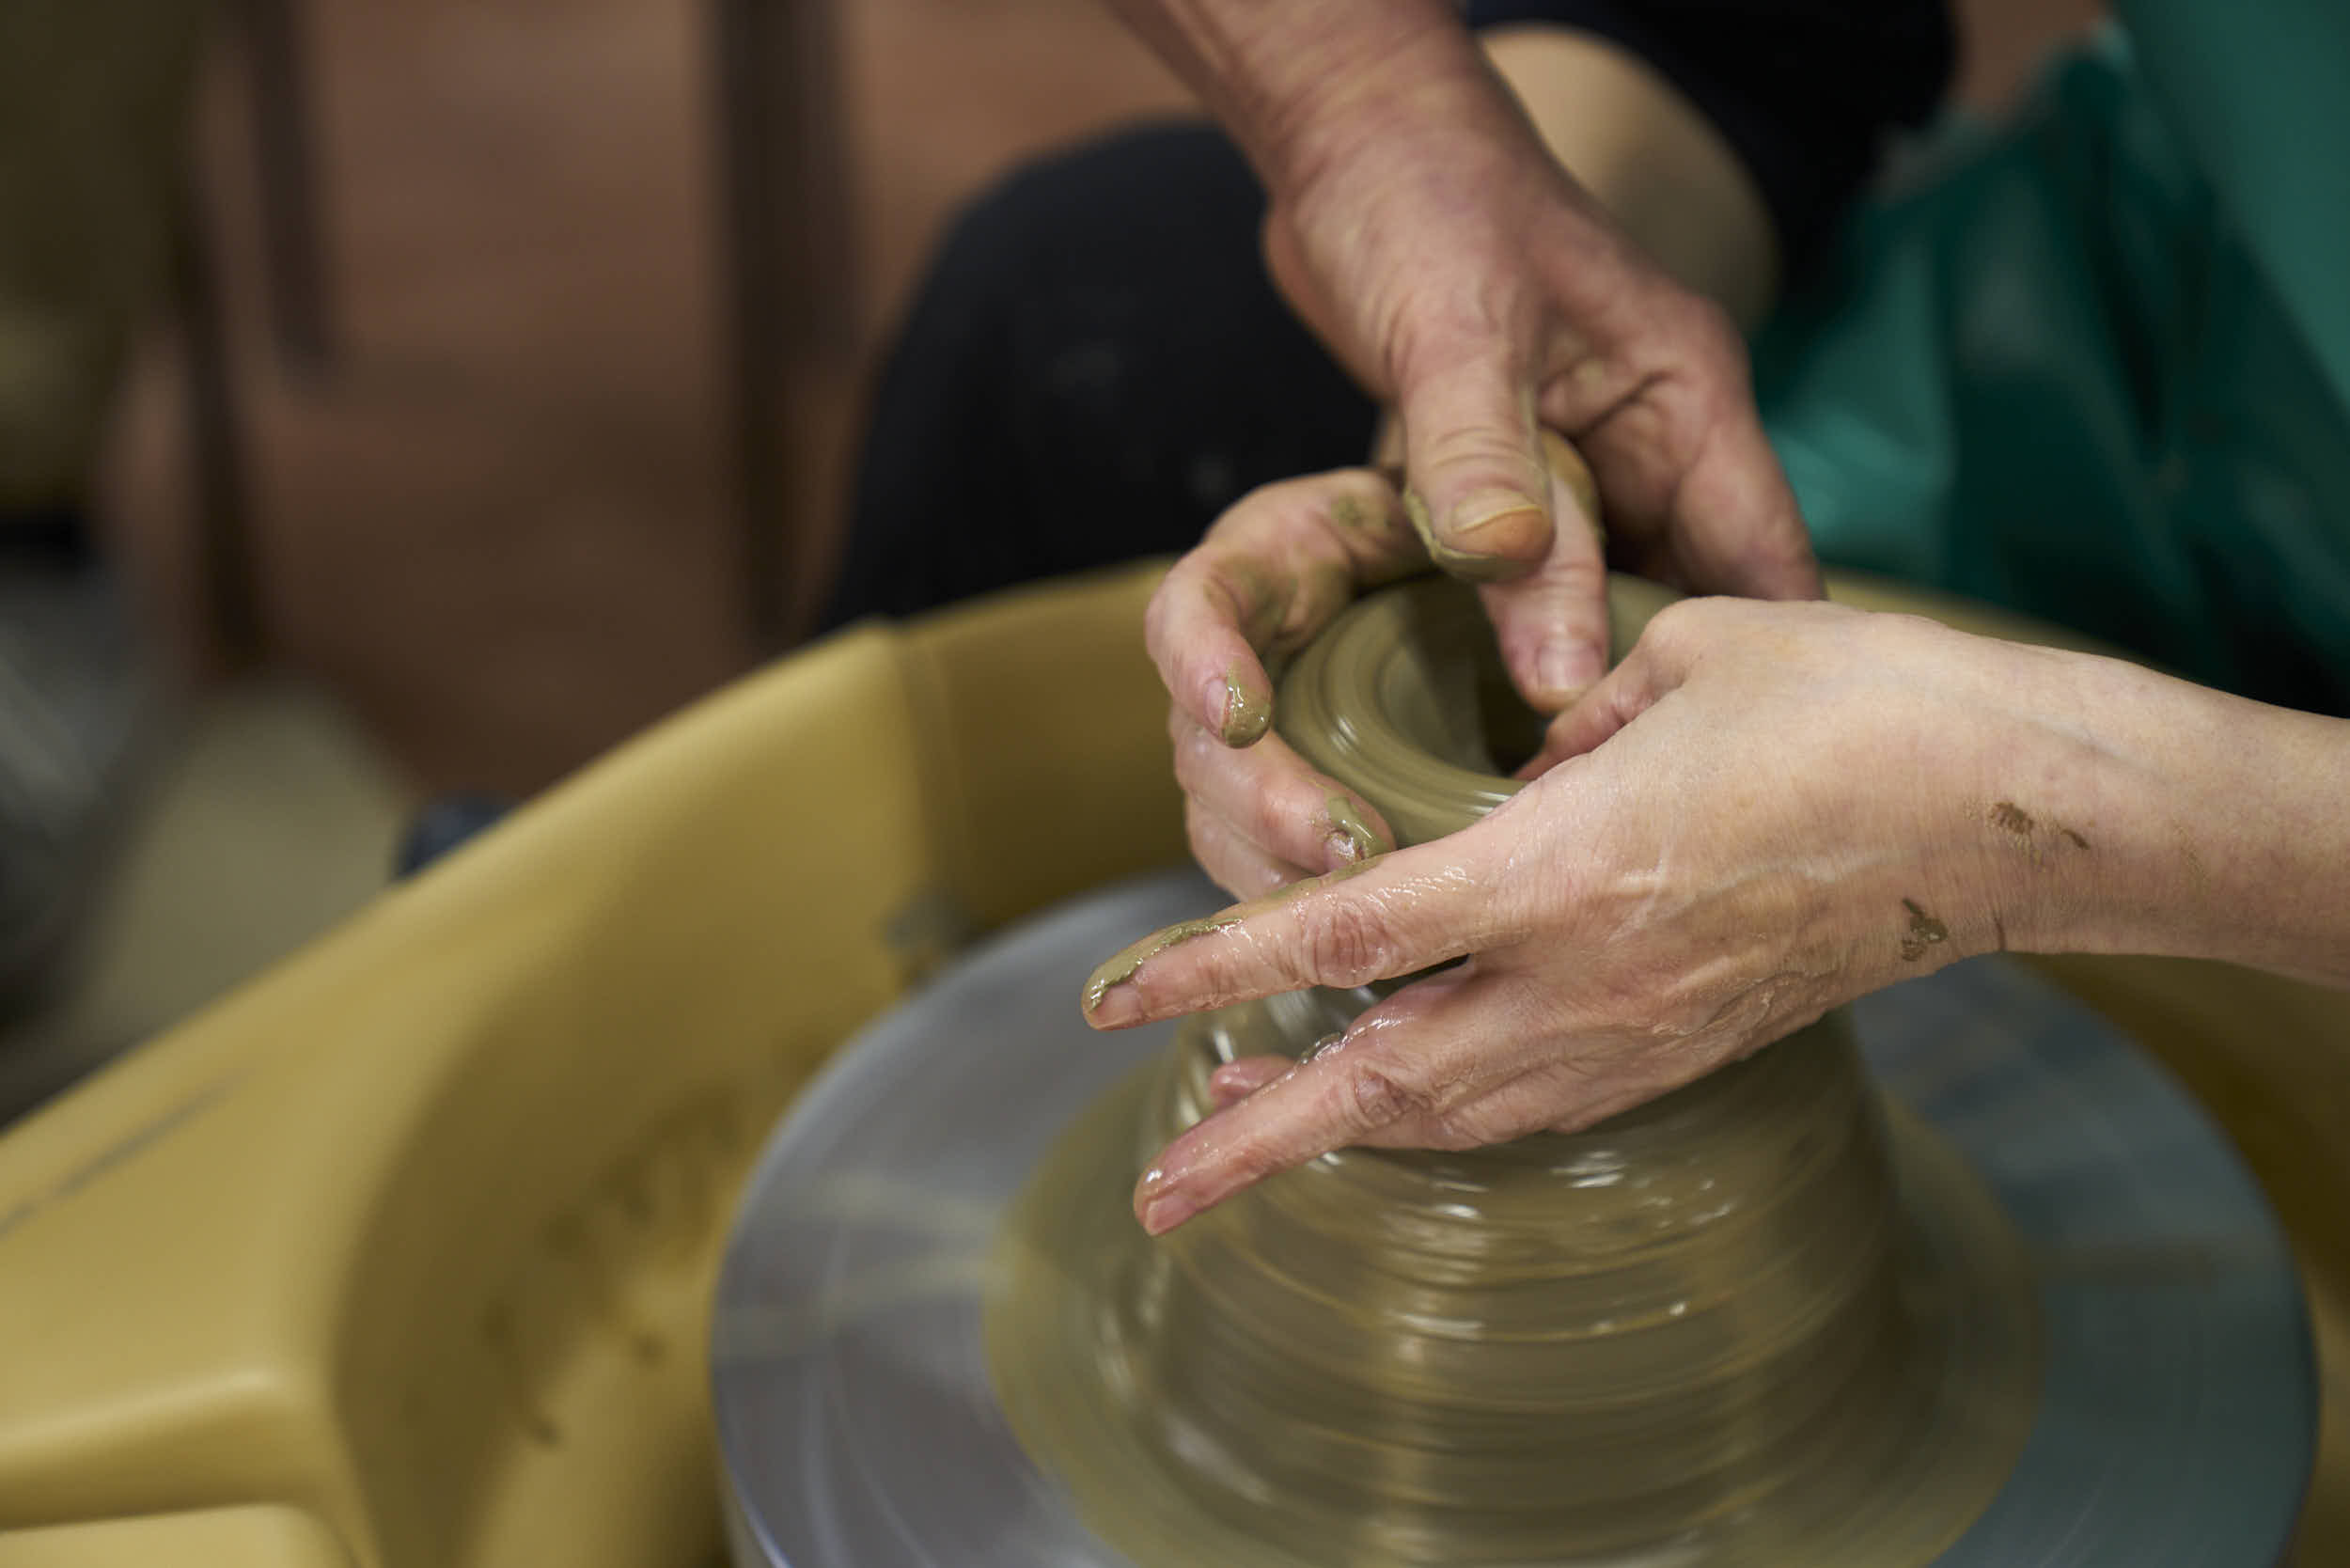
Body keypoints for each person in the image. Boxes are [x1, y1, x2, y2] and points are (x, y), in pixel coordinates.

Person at [828, 0, 2350, 1239]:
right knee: (1057, 323)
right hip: (2169, 314)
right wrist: (1412, 179)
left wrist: (2044, 821)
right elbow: (1754, 35)